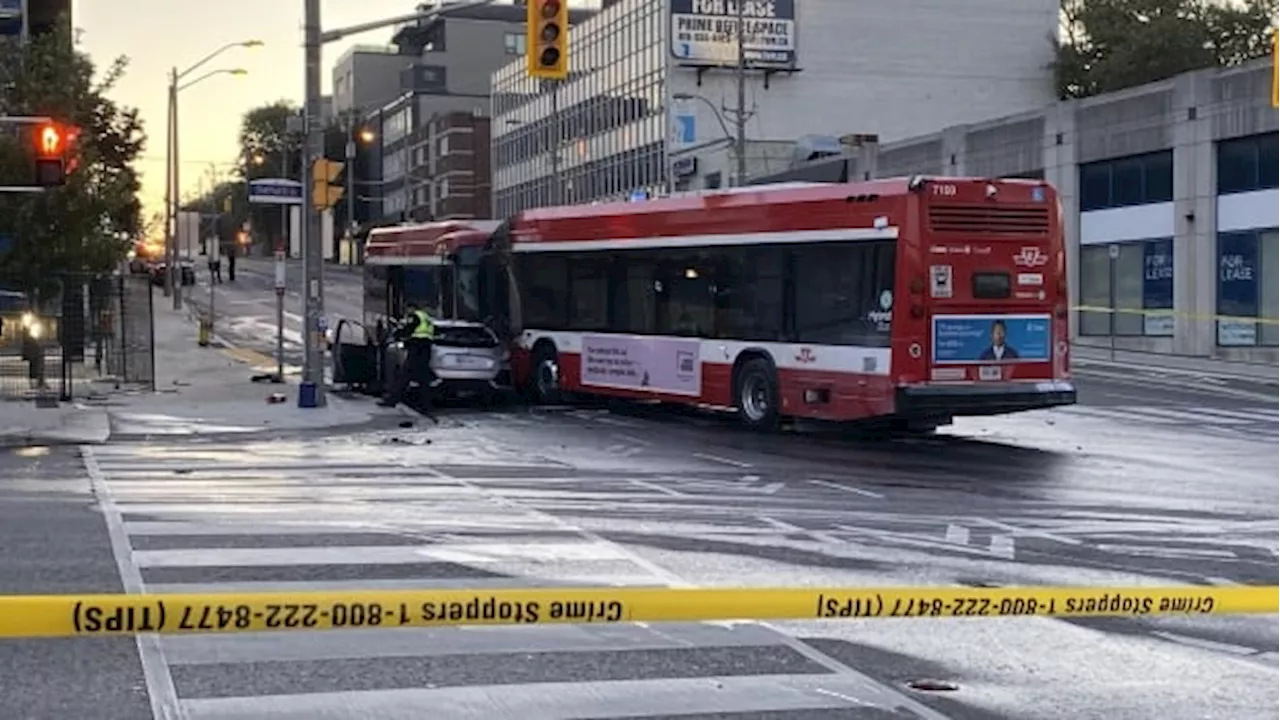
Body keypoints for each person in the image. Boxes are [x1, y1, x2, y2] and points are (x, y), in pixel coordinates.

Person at [379, 301, 437, 410]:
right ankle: (425, 405)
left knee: (405, 375)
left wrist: (397, 335)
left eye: (407, 309)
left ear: (412, 308)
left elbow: (409, 329)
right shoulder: (427, 317)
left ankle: (392, 400)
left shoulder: (415, 316)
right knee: (423, 380)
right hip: (425, 349)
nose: (407, 311)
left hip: (417, 349)